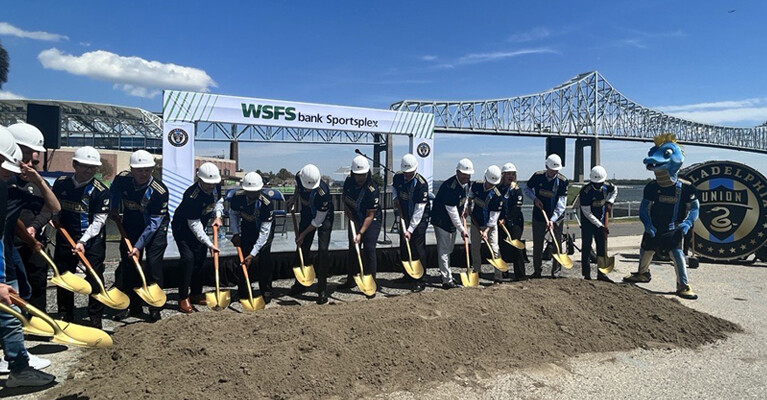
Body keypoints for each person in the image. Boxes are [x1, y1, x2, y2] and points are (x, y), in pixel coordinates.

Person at [0, 128, 55, 387]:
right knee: (10, 310)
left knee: (15, 301)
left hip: (7, 248)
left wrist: (31, 239)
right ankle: (18, 366)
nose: (32, 158)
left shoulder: (9, 184)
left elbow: (13, 219)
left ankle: (17, 361)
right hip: (4, 250)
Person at [623, 134, 699, 299]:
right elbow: (644, 208)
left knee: (677, 255)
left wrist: (687, 223)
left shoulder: (687, 188)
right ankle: (642, 273)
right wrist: (647, 224)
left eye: (666, 155)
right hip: (654, 227)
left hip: (673, 228)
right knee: (645, 250)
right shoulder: (651, 186)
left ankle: (683, 285)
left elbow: (694, 208)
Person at [52, 146, 110, 328]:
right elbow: (54, 208)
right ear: (74, 165)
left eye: (93, 167)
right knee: (63, 275)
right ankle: (65, 313)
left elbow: (99, 221)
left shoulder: (101, 190)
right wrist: (54, 220)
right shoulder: (61, 183)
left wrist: (82, 241)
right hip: (65, 236)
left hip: (92, 240)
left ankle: (95, 316)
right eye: (84, 166)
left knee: (95, 277)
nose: (88, 170)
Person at [110, 150, 169, 322]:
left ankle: (155, 307)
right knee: (128, 265)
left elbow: (153, 224)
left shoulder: (159, 191)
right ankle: (131, 305)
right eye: (139, 170)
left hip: (156, 228)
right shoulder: (123, 179)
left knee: (153, 263)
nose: (143, 174)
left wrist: (138, 246)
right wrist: (114, 207)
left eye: (147, 170)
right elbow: (114, 190)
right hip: (131, 223)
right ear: (131, 169)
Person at [7, 122, 52, 311]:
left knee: (36, 283)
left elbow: (51, 208)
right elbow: (10, 217)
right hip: (12, 244)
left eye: (34, 162)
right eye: (26, 156)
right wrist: (26, 235)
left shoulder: (36, 182)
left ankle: (36, 321)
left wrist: (34, 228)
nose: (30, 165)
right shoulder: (8, 180)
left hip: (34, 242)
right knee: (13, 287)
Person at [171, 162, 223, 313]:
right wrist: (209, 243)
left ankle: (195, 293)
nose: (211, 187)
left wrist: (218, 216)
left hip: (201, 224)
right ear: (199, 180)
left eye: (213, 184)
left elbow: (218, 202)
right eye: (207, 184)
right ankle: (183, 297)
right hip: (183, 229)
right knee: (188, 259)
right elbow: (195, 225)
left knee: (200, 258)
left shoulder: (215, 187)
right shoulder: (192, 196)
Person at [286, 164, 333, 304]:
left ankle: (322, 289)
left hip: (323, 217)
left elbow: (318, 220)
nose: (307, 189)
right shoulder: (299, 177)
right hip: (307, 213)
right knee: (302, 247)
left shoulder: (323, 193)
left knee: (323, 250)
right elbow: (297, 188)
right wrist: (293, 199)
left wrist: (303, 233)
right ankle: (299, 284)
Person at [229, 172, 275, 304]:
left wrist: (253, 254)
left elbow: (264, 233)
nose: (251, 195)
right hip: (247, 227)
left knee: (264, 258)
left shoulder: (266, 203)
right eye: (248, 192)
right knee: (243, 258)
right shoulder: (237, 197)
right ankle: (243, 290)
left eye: (254, 192)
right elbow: (233, 215)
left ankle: (266, 290)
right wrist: (236, 233)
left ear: (260, 189)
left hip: (263, 230)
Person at [340, 155, 381, 298]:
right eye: (357, 175)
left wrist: (360, 233)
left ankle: (371, 283)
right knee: (353, 249)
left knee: (369, 249)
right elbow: (345, 198)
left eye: (363, 175)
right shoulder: (348, 182)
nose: (360, 178)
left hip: (371, 220)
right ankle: (351, 280)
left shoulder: (372, 189)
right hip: (355, 217)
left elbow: (370, 216)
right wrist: (347, 211)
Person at [431, 158, 474, 289]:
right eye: (464, 174)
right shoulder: (450, 186)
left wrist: (465, 209)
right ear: (457, 172)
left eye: (468, 175)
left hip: (452, 221)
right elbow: (452, 211)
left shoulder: (466, 184)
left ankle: (447, 274)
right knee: (444, 250)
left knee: (449, 249)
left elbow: (465, 198)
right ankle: (446, 280)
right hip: (442, 221)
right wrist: (462, 229)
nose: (466, 177)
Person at [525, 154, 569, 279]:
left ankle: (556, 272)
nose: (554, 172)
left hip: (556, 217)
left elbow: (561, 204)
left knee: (557, 244)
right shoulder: (537, 176)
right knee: (538, 244)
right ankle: (537, 271)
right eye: (552, 170)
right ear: (546, 167)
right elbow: (527, 189)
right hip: (539, 215)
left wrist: (552, 219)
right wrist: (534, 199)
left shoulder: (562, 181)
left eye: (556, 170)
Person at [392, 154, 430, 292]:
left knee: (417, 246)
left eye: (410, 173)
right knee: (404, 245)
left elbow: (419, 210)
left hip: (420, 218)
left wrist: (410, 229)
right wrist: (395, 197)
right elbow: (394, 188)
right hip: (405, 215)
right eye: (406, 173)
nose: (407, 175)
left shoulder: (421, 184)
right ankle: (407, 275)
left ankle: (421, 279)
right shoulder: (397, 177)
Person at [578, 165, 617, 282]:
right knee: (586, 247)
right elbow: (587, 213)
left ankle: (601, 274)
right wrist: (600, 226)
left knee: (601, 247)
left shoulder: (607, 186)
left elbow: (615, 190)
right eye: (596, 183)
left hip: (601, 220)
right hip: (588, 222)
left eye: (600, 183)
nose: (598, 185)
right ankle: (587, 275)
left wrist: (610, 202)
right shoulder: (585, 192)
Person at [468, 165, 504, 283]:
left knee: (494, 248)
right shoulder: (476, 185)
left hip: (490, 226)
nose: (490, 185)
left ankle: (498, 275)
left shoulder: (497, 197)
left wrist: (486, 231)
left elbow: (493, 218)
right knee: (475, 248)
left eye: (493, 183)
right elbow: (470, 196)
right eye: (489, 182)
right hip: (475, 222)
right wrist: (467, 206)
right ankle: (477, 270)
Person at [497, 163, 526, 281]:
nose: (511, 176)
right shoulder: (498, 189)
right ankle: (504, 271)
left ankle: (520, 274)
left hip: (515, 222)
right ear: (503, 175)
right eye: (508, 174)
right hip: (500, 222)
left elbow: (516, 208)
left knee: (516, 246)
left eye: (513, 174)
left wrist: (507, 219)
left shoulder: (517, 190)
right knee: (501, 246)